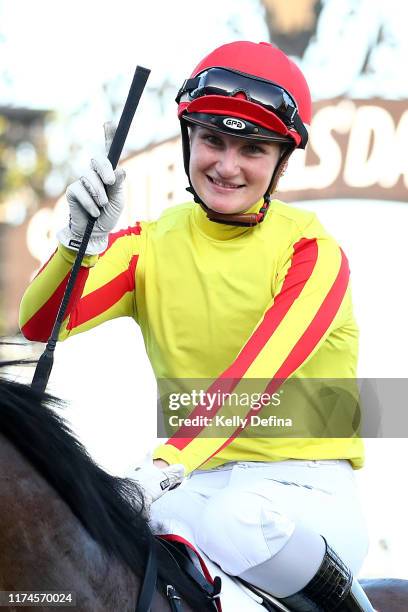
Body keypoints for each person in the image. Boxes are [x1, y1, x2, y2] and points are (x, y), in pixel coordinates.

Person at [19, 41, 373, 610]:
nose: (226, 165)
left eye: (252, 148)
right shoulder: (148, 245)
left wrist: (160, 467)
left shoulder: (313, 251)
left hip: (304, 491)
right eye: (213, 139)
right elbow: (40, 323)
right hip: (196, 485)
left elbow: (253, 380)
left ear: (282, 160)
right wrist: (77, 243)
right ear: (190, 138)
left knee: (237, 520)